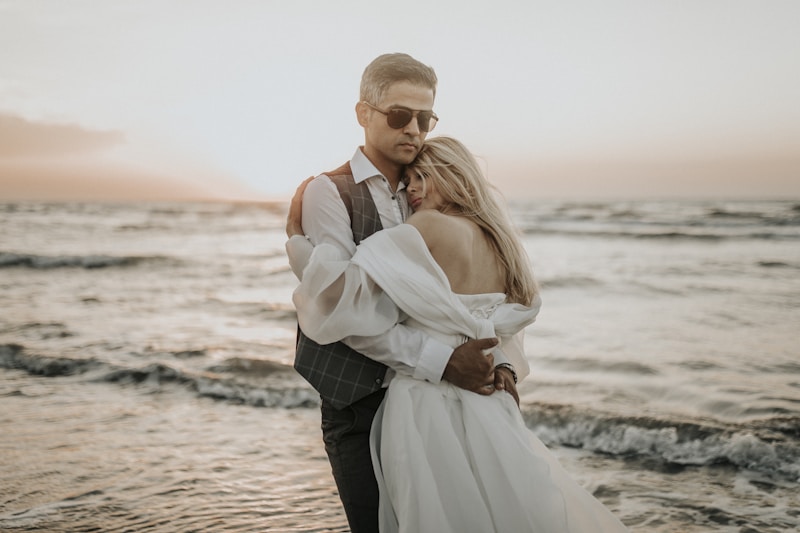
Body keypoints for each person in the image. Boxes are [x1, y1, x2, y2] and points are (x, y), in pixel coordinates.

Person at [287, 136, 630, 532]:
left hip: (425, 401)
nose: (411, 189)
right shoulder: (498, 242)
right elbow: (496, 322)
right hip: (488, 401)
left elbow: (345, 293)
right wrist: (505, 365)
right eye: (410, 178)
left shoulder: (428, 225)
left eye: (422, 177)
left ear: (450, 176)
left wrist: (298, 241)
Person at [285, 53, 516, 533]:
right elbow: (339, 308)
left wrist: (506, 360)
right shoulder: (329, 193)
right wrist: (443, 362)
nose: (413, 129)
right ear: (363, 114)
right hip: (360, 404)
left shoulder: (434, 194)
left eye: (424, 118)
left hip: (437, 406)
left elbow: (477, 297)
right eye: (399, 115)